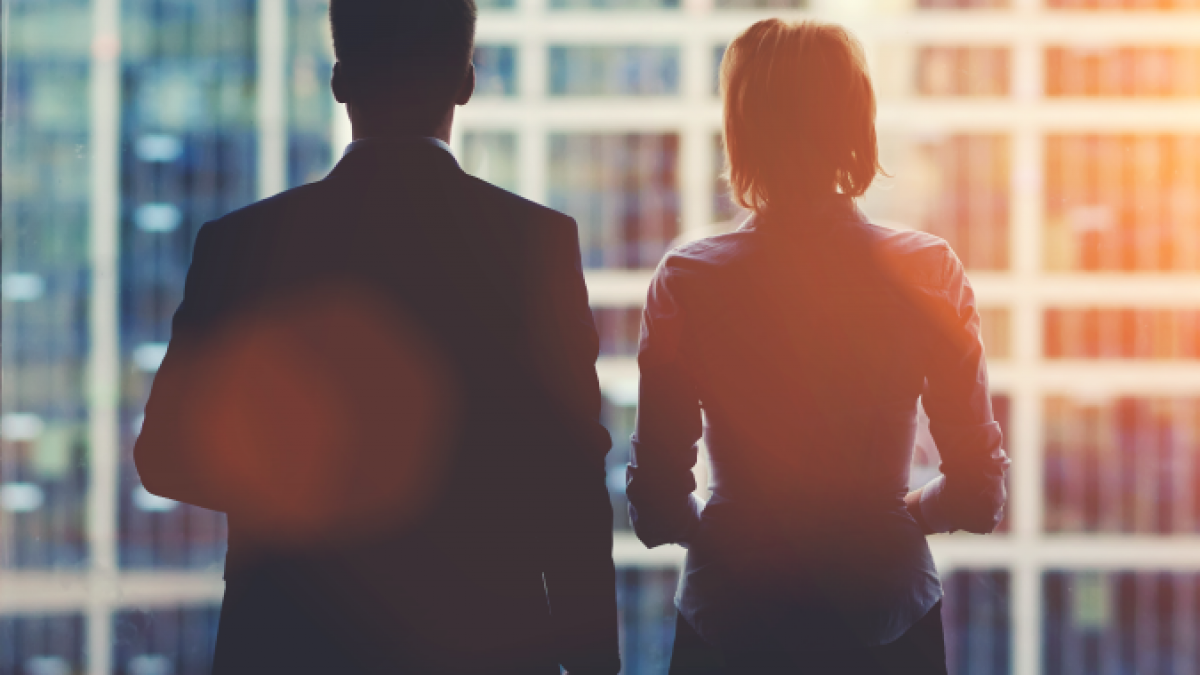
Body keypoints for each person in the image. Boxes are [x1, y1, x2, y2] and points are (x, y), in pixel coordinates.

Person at [133, 1, 620, 673]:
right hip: (488, 639)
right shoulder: (534, 243)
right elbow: (568, 470)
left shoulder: (240, 245)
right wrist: (596, 659)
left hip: (289, 640)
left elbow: (164, 455)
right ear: (466, 82)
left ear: (339, 82)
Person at [626, 19, 1011, 675]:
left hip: (731, 622)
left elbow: (657, 508)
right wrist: (893, 513)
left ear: (741, 131)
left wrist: (727, 527)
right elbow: (979, 494)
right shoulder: (927, 272)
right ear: (856, 124)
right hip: (886, 621)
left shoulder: (688, 279)